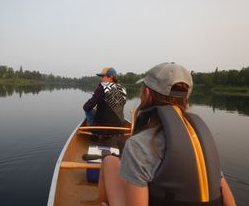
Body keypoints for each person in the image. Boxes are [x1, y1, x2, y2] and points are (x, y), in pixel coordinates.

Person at [98, 62, 236, 206]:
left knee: (110, 162)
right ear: (186, 97)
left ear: (147, 93)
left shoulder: (139, 144)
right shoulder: (202, 139)